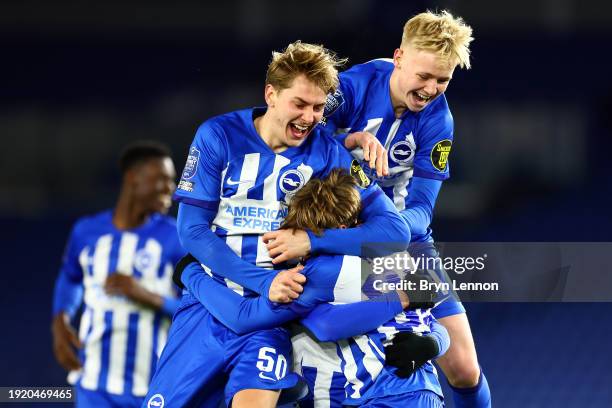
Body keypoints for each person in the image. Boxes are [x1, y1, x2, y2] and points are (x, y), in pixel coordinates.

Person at [143, 41, 411, 408]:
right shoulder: (218, 136)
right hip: (205, 310)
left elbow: (396, 232)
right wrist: (263, 281)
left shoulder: (329, 154)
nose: (309, 117)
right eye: (299, 104)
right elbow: (191, 230)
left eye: (318, 107)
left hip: (270, 324)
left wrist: (311, 242)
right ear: (271, 94)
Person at [266, 10, 491, 408]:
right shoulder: (349, 88)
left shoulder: (439, 121)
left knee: (465, 369)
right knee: (280, 339)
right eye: (424, 76)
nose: (431, 89)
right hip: (326, 227)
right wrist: (347, 139)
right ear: (399, 56)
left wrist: (386, 237)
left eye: (443, 80)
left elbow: (422, 207)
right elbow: (292, 135)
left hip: (401, 242)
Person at [175, 169, 451, 407]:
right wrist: (434, 341)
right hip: (414, 389)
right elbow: (431, 309)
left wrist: (190, 274)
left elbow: (248, 317)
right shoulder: (399, 260)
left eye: (303, 235)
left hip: (380, 395)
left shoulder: (321, 271)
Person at [51, 141, 183, 407]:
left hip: (152, 389)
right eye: (162, 179)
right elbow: (71, 277)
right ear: (133, 178)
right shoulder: (86, 231)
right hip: (93, 386)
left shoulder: (175, 238)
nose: (172, 188)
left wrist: (146, 296)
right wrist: (61, 320)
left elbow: (198, 309)